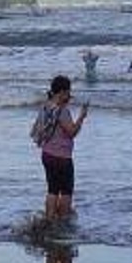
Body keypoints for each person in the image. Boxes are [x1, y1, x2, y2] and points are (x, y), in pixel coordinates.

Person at [35, 75, 90, 221]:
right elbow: (71, 132)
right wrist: (82, 117)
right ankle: (62, 221)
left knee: (52, 189)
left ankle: (49, 218)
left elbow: (40, 129)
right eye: (67, 92)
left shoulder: (46, 106)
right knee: (66, 191)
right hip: (62, 157)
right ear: (61, 92)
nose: (69, 95)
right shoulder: (61, 111)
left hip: (47, 153)